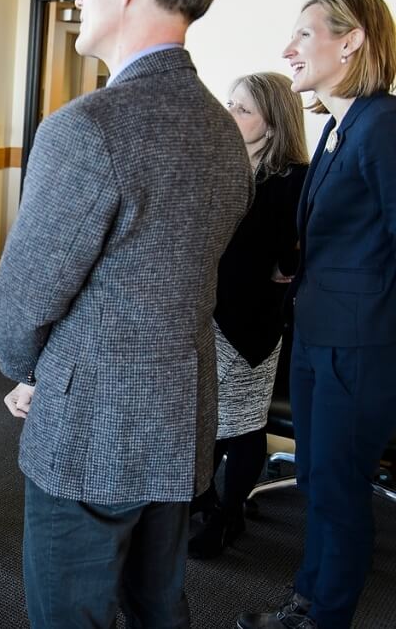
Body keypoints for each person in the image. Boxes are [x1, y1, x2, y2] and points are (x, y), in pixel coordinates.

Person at [0, 0, 253, 625]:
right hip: (180, 416)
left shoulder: (87, 128)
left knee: (70, 612)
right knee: (157, 606)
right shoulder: (225, 132)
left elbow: (20, 302)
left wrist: (29, 371)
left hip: (89, 425)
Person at [237, 0, 396, 629]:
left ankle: (324, 618)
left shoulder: (384, 124)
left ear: (352, 40)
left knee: (337, 487)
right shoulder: (339, 127)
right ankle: (307, 598)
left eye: (303, 36)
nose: (288, 51)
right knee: (316, 482)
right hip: (319, 333)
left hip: (358, 344)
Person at [188, 72, 308, 560]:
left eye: (242, 108)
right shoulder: (222, 163)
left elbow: (295, 249)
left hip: (249, 322)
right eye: (230, 103)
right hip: (205, 311)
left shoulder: (291, 177)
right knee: (203, 418)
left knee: (240, 424)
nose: (229, 113)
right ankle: (203, 499)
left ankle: (228, 514)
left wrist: (285, 266)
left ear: (273, 121)